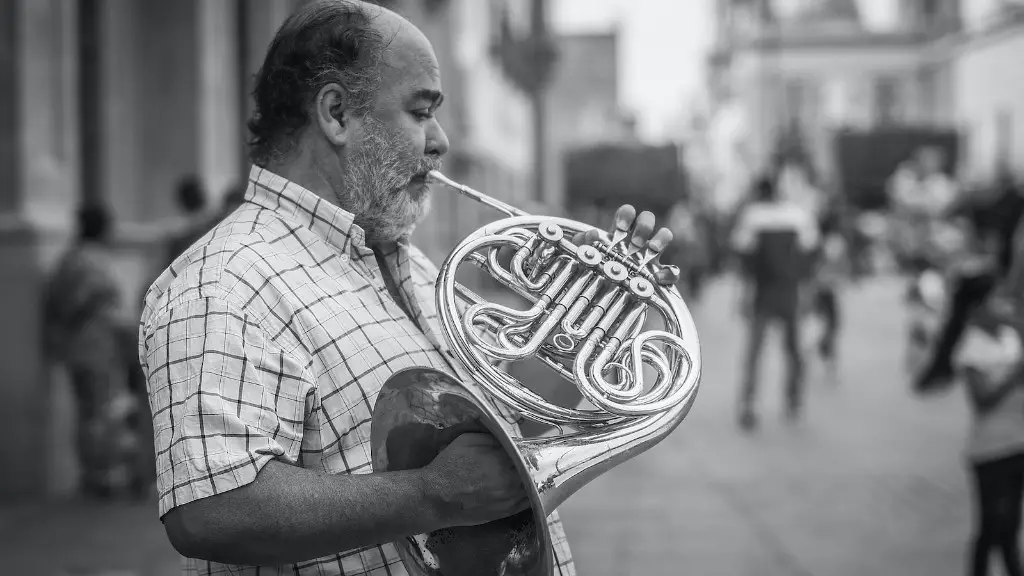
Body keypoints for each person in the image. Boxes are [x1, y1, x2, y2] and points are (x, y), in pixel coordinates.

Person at [137, 2, 676, 574]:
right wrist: (431, 494)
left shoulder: (406, 262)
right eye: (421, 112)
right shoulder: (223, 280)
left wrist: (599, 317)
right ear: (337, 113)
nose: (440, 141)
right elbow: (211, 512)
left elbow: (499, 427)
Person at [44, 204, 139, 498]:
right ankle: (105, 477)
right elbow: (109, 307)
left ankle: (92, 474)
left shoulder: (67, 260)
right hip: (100, 347)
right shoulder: (97, 263)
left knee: (88, 413)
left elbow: (57, 305)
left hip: (76, 349)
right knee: (104, 412)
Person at [730, 175, 819, 430]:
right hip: (790, 292)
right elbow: (809, 255)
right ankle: (794, 401)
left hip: (763, 293)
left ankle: (749, 403)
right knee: (794, 352)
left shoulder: (752, 215)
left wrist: (743, 295)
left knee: (755, 353)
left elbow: (743, 258)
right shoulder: (799, 215)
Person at [954, 296, 1024, 576]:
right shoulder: (971, 346)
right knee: (992, 526)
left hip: (1019, 443)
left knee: (1010, 527)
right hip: (990, 450)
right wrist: (1014, 376)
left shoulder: (1011, 336)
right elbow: (981, 399)